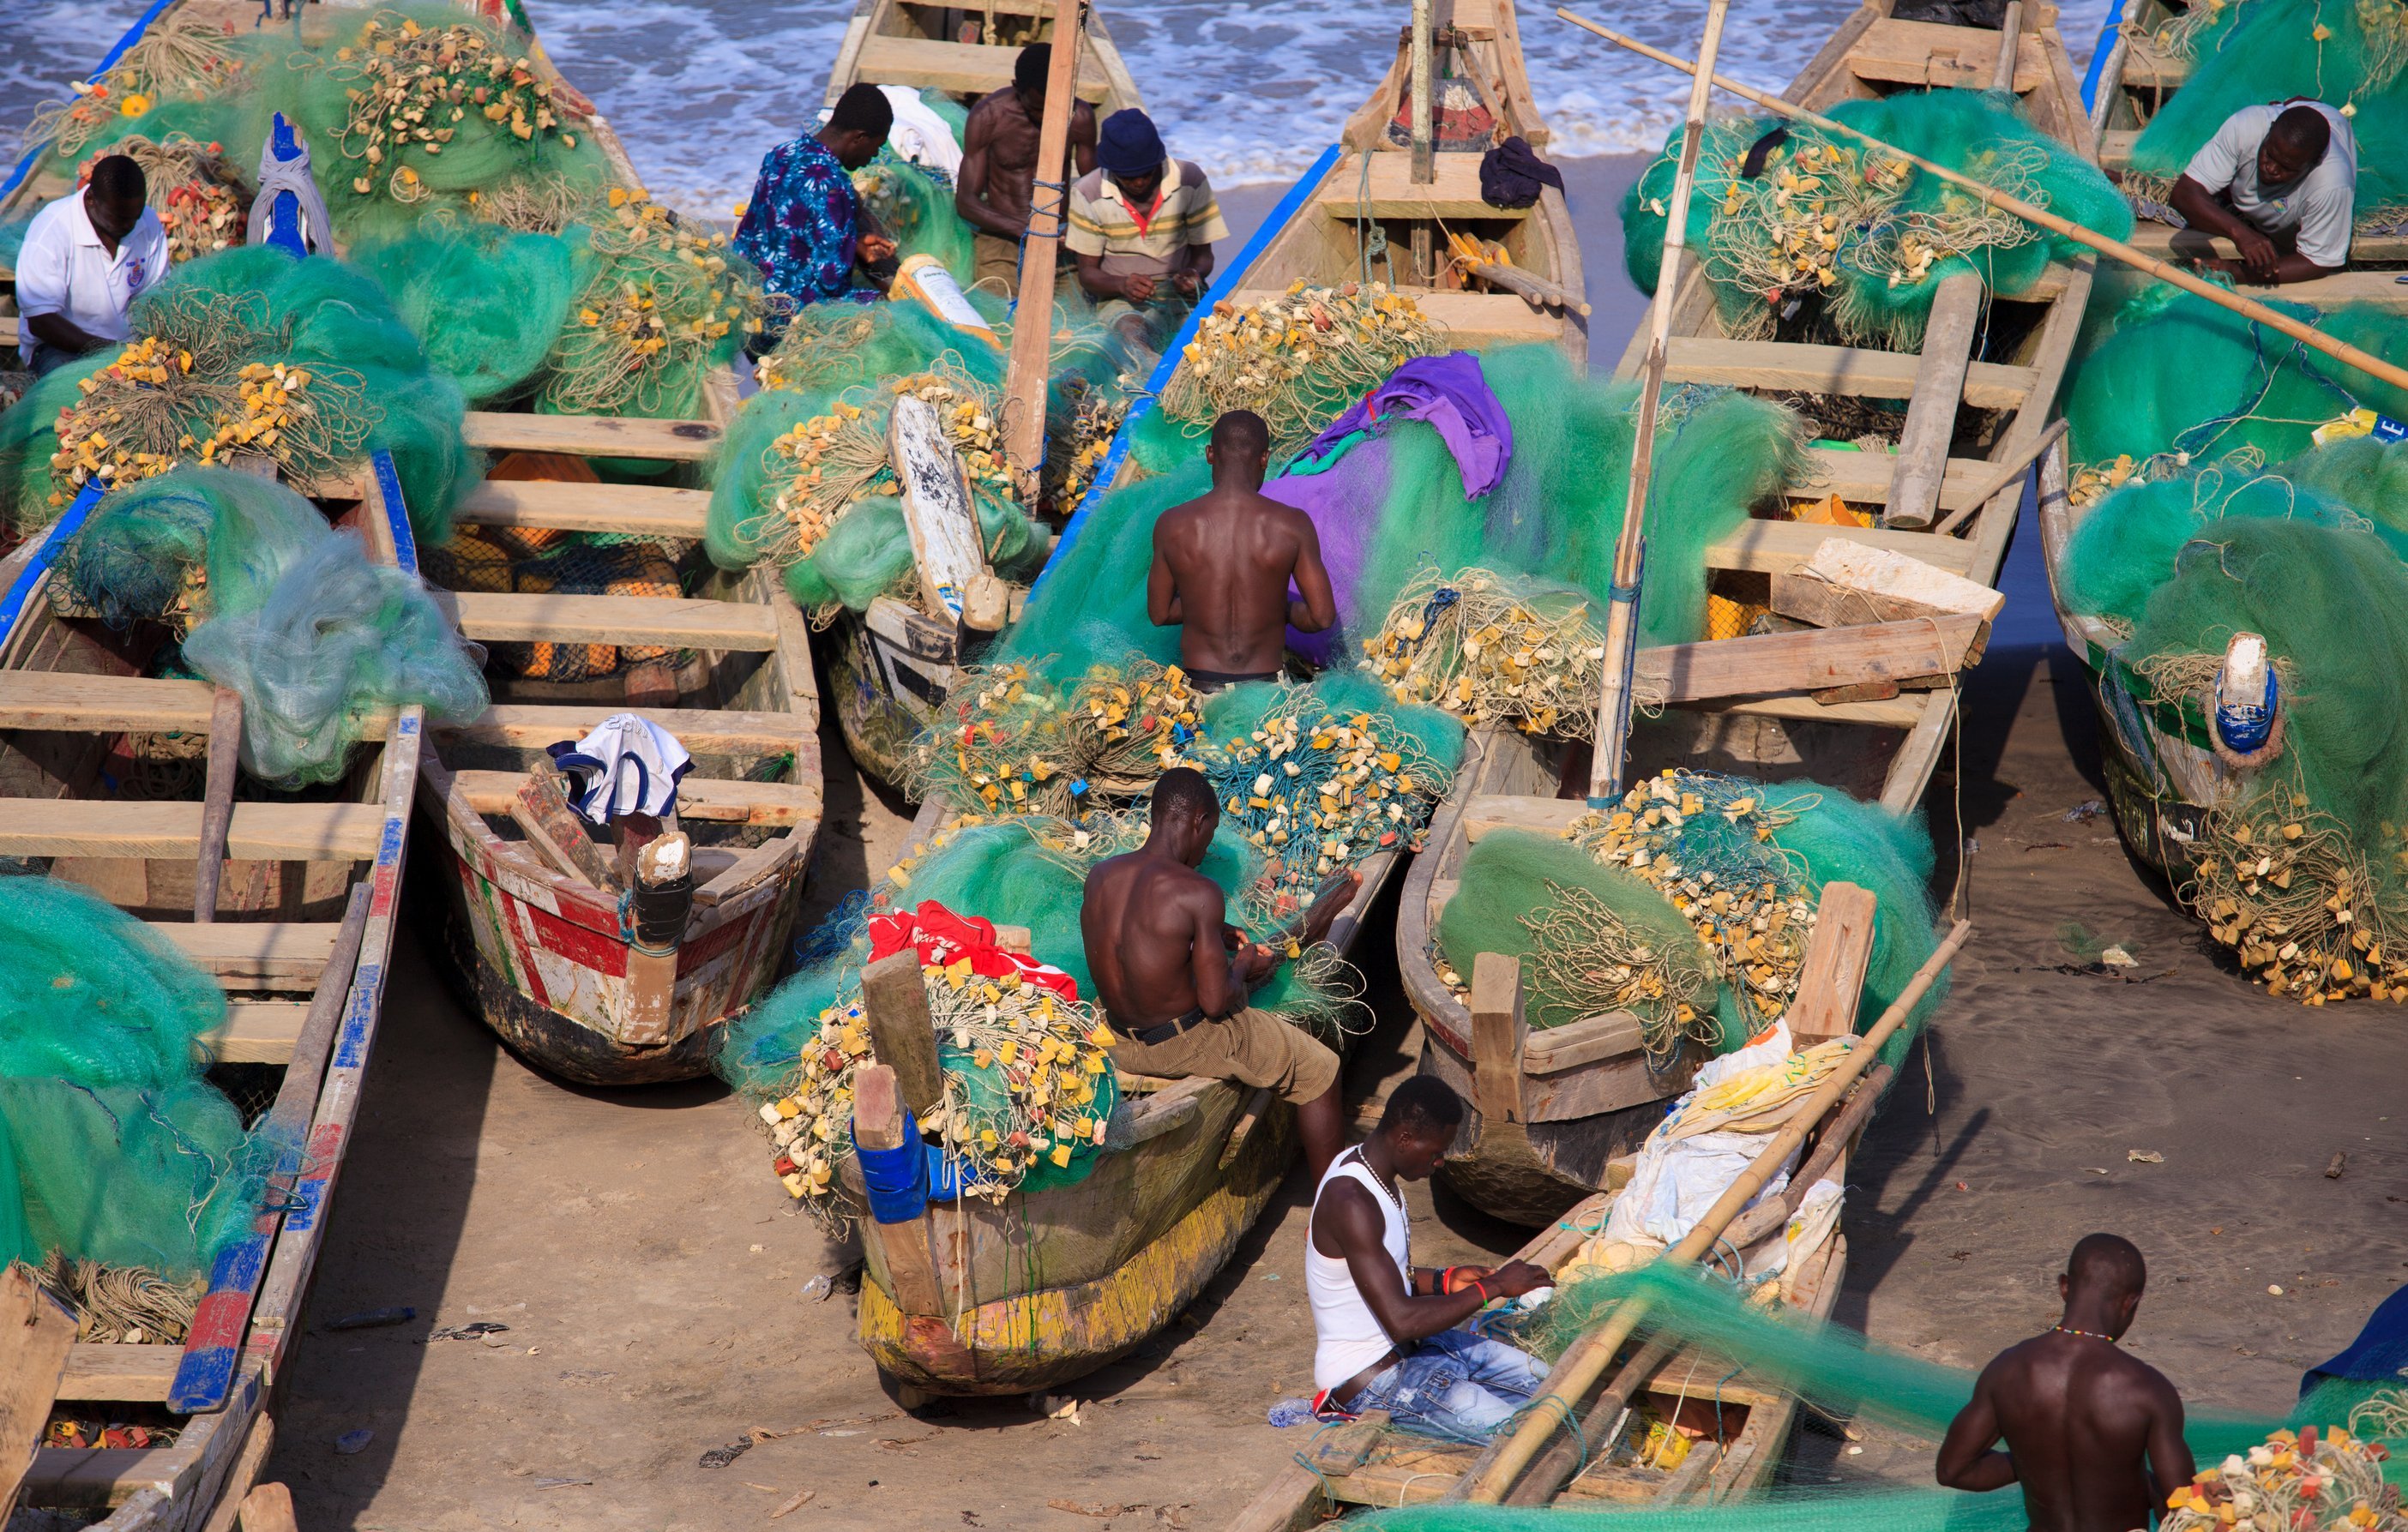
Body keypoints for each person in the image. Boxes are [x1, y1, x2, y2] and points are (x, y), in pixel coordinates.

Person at [1080, 767, 1358, 1184]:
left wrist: (1210, 933)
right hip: (1175, 1045)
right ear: (1199, 821)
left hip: (1116, 1037)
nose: (1207, 847)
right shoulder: (1197, 891)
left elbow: (1141, 940)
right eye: (1209, 834)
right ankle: (1334, 1213)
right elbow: (1214, 1001)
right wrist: (1245, 964)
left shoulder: (1101, 875)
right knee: (1320, 1069)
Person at [1306, 1076, 1551, 1436]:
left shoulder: (1372, 1170)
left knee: (1554, 1386)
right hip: (1376, 1383)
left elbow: (1375, 1275)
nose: (1440, 1162)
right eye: (1436, 1151)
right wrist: (1494, 1286)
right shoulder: (1351, 1201)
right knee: (1527, 1438)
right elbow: (1401, 1321)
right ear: (1405, 1138)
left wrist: (1444, 1279)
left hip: (1418, 1350)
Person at [1936, 1234, 2194, 1532]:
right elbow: (2185, 1509)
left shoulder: (2008, 1370)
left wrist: (2029, 1461)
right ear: (2130, 1302)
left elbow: (1952, 1470)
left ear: (2064, 1287)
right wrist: (2147, 1487)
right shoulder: (2147, 1389)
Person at [1147, 411, 1338, 693]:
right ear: (1264, 458)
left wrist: (1207, 606)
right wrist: (1277, 610)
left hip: (1199, 690)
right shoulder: (1293, 525)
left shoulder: (1172, 524)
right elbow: (1322, 617)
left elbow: (1159, 614)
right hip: (1266, 694)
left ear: (1210, 454)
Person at [733, 84, 899, 327]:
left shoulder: (781, 153)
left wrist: (851, 243)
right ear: (859, 138)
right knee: (898, 309)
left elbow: (782, 232)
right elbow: (831, 278)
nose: (873, 156)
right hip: (787, 316)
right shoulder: (833, 186)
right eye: (876, 146)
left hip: (748, 301)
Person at [1067, 108, 1226, 351]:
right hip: (1121, 302)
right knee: (1134, 336)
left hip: (1183, 296)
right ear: (1112, 170)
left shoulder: (1189, 179)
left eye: (1146, 173)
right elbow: (1088, 275)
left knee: (1214, 340)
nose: (1139, 182)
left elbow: (1204, 256)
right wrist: (1123, 285)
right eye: (1128, 177)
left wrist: (1193, 274)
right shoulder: (1088, 192)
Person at [955, 43, 1099, 297]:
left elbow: (1094, 192)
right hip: (1003, 241)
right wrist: (1027, 231)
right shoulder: (988, 117)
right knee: (999, 317)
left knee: (1073, 325)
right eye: (1034, 108)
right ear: (1016, 87)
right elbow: (966, 202)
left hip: (1062, 241)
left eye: (1052, 107)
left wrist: (1075, 235)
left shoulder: (1079, 116)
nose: (1044, 117)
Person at [2170, 100, 2356, 285]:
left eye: (2286, 167)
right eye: (2269, 153)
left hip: (2336, 125)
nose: (2271, 168)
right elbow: (2183, 193)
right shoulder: (2246, 126)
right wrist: (2240, 233)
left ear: (2315, 163)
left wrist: (2238, 273)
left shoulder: (2333, 184)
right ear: (2270, 130)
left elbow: (2318, 262)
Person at [15, 155, 167, 376]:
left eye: (136, 216)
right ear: (91, 199)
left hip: (128, 348)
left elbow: (156, 296)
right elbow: (40, 321)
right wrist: (109, 351)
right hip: (61, 349)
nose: (131, 225)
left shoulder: (148, 221)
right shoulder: (53, 229)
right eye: (120, 218)